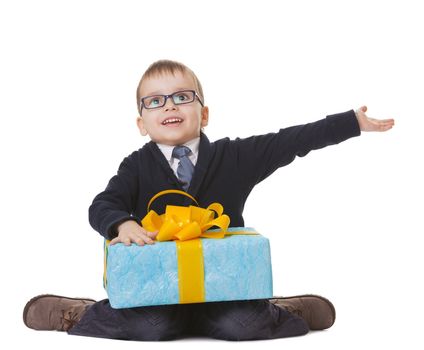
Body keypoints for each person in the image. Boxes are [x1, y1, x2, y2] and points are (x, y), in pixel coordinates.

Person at [23, 60, 394, 341]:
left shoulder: (235, 157)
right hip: (159, 289)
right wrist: (122, 223)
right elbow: (102, 204)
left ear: (203, 114)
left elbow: (289, 141)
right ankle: (81, 314)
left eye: (182, 97)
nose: (170, 106)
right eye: (155, 101)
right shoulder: (136, 166)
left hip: (224, 285)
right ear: (142, 123)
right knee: (154, 327)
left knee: (243, 324)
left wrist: (350, 123)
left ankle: (279, 309)